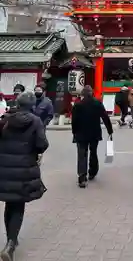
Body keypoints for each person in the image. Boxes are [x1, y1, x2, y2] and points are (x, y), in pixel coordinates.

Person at [0, 91, 49, 260]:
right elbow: (42, 144)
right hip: (24, 169)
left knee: (9, 203)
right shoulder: (35, 121)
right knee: (18, 206)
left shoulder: (5, 119)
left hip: (5, 169)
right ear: (32, 105)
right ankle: (11, 244)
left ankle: (10, 239)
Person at [71, 85, 113, 188]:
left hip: (81, 133)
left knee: (82, 155)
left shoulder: (78, 105)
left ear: (83, 94)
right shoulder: (97, 103)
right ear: (92, 93)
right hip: (94, 132)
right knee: (93, 152)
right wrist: (110, 130)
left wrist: (74, 132)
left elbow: (74, 121)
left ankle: (82, 177)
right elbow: (105, 117)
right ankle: (93, 171)